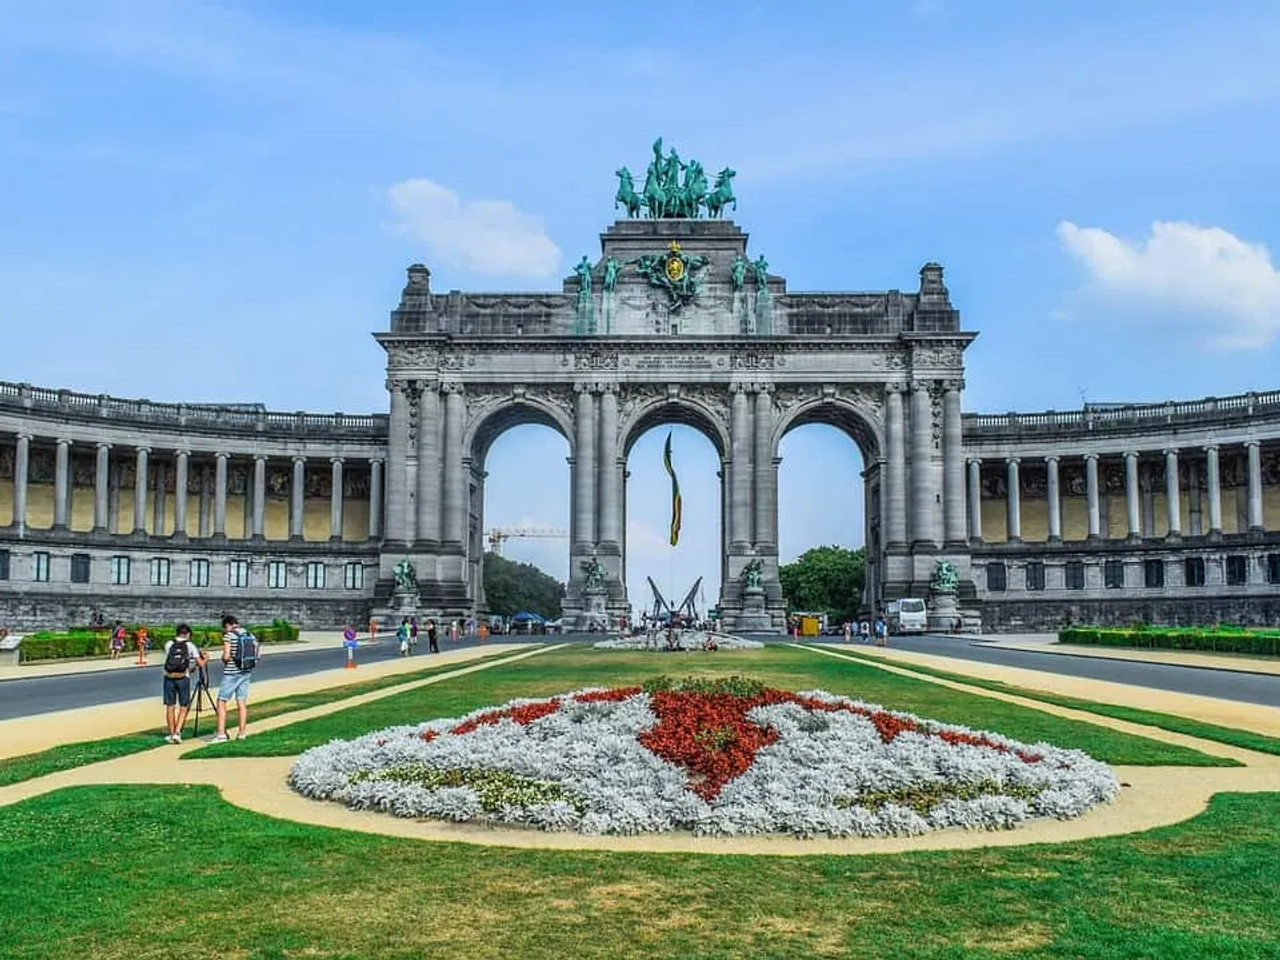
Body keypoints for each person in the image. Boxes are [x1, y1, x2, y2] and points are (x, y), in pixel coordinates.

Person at [213, 614, 257, 742]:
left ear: (227, 625)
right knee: (241, 702)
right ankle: (242, 732)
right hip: (246, 671)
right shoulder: (250, 635)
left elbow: (226, 656)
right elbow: (258, 654)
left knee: (221, 701)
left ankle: (221, 734)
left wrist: (224, 660)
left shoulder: (229, 635)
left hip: (232, 672)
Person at [161, 624, 207, 743]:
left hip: (169, 677)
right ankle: (177, 732)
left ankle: (171, 733)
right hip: (183, 677)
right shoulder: (190, 645)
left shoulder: (169, 644)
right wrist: (205, 658)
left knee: (170, 706)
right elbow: (201, 664)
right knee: (184, 706)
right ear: (188, 634)